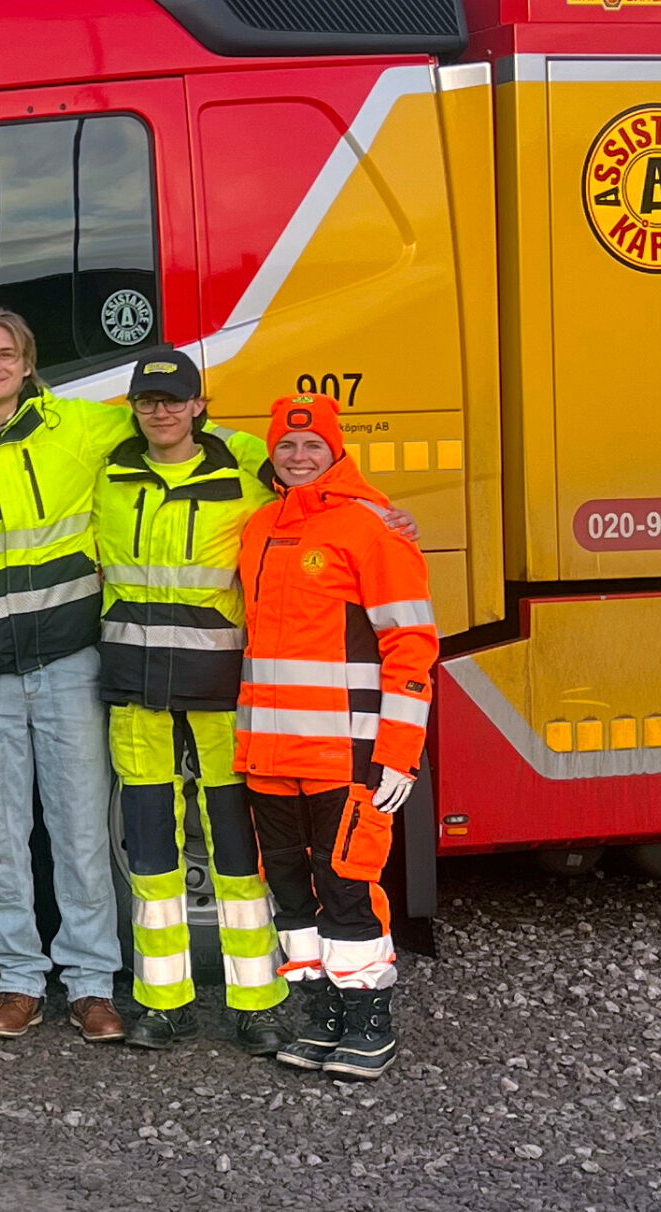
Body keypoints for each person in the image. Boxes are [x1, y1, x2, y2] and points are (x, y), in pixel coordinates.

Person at [0, 307, 136, 1043]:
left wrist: (303, 469)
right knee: (1, 836)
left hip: (70, 664)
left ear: (27, 359)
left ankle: (90, 985)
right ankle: (19, 980)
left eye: (4, 353)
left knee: (78, 834)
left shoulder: (78, 427)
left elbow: (186, 434)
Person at [236, 394, 436, 1081]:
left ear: (336, 451)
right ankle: (319, 1013)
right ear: (271, 453)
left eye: (312, 447)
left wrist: (399, 755)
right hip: (268, 756)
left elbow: (411, 645)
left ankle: (368, 1021)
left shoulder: (371, 528)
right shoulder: (258, 526)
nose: (298, 457)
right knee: (290, 892)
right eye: (286, 447)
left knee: (349, 886)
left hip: (347, 754)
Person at [94, 350, 288, 1053]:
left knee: (238, 857)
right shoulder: (108, 476)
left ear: (201, 407)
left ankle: (257, 1004)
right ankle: (162, 1002)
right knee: (150, 856)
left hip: (218, 690)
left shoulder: (243, 477)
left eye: (175, 400)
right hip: (135, 689)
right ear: (135, 407)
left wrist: (388, 519)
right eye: (149, 401)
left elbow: (316, 496)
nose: (161, 411)